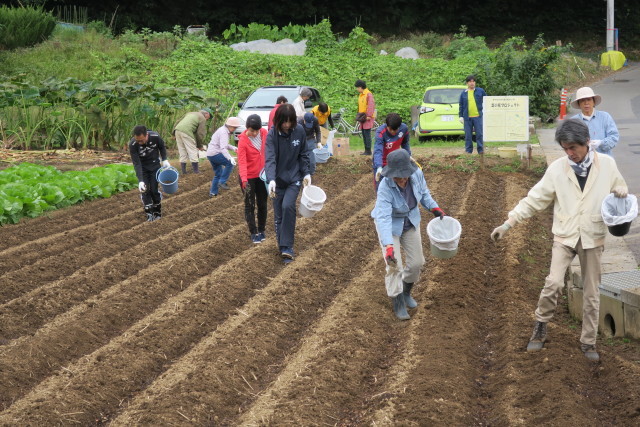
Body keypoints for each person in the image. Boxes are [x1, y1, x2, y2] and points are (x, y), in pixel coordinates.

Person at [490, 119, 628, 362]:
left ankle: (588, 341)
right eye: (565, 149)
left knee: (592, 291)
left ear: (586, 143)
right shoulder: (557, 169)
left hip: (592, 236)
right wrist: (508, 223)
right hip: (565, 234)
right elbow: (534, 199)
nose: (569, 154)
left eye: (573, 148)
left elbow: (620, 190)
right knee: (553, 282)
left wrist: (621, 193)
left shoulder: (606, 165)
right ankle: (540, 326)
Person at [371, 149, 445, 320]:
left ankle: (405, 292)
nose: (402, 179)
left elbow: (424, 193)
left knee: (417, 262)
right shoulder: (385, 186)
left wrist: (434, 208)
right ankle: (397, 301)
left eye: (404, 175)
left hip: (410, 220)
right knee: (394, 264)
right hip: (390, 224)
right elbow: (382, 217)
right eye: (398, 177)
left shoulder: (417, 174)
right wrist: (388, 245)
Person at [265, 104, 311, 263]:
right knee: (278, 215)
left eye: (290, 122)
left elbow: (304, 153)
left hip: (294, 178)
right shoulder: (272, 135)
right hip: (277, 180)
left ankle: (287, 247)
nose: (287, 125)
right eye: (284, 122)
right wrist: (271, 179)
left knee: (288, 207)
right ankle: (282, 247)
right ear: (278, 121)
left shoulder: (299, 131)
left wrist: (306, 172)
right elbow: (269, 159)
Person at [129, 125, 171, 222]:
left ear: (146, 135)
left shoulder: (155, 137)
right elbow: (136, 163)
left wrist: (164, 159)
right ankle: (149, 213)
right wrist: (140, 180)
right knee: (145, 190)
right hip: (143, 168)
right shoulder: (133, 144)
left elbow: (162, 147)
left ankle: (157, 211)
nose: (140, 142)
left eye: (142, 140)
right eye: (138, 140)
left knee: (154, 190)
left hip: (154, 166)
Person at [237, 114, 269, 244]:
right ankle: (253, 232)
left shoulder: (264, 133)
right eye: (252, 130)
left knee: (262, 204)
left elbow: (270, 151)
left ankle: (261, 230)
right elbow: (242, 162)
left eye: (256, 130)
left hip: (262, 176)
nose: (254, 133)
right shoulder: (243, 141)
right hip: (248, 177)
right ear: (247, 128)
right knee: (250, 205)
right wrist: (244, 180)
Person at [571, 86, 619, 157]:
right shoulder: (573, 122)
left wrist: (601, 143)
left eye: (589, 99)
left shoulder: (605, 117)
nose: (586, 103)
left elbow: (614, 137)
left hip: (604, 160)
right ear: (579, 104)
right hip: (582, 162)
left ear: (594, 102)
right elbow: (569, 143)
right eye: (582, 100)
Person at [373, 113, 410, 190]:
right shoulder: (380, 132)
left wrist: (408, 156)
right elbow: (378, 150)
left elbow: (405, 144)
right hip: (382, 163)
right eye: (390, 129)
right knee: (381, 189)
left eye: (395, 130)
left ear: (399, 127)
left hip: (395, 162)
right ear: (387, 126)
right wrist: (379, 166)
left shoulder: (404, 129)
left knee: (398, 188)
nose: (393, 132)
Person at [206, 117, 241, 197]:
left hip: (210, 154)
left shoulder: (223, 130)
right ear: (229, 125)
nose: (235, 129)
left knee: (218, 174)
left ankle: (213, 193)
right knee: (230, 163)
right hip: (215, 153)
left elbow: (224, 144)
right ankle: (222, 182)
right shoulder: (224, 132)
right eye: (234, 127)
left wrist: (234, 148)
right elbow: (223, 148)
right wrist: (229, 158)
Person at [173, 108, 212, 174]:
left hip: (177, 131)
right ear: (207, 113)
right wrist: (199, 146)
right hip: (187, 132)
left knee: (182, 151)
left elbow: (177, 121)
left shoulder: (190, 113)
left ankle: (184, 171)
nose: (207, 119)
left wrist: (174, 133)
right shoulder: (202, 118)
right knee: (192, 151)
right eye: (209, 117)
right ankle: (196, 171)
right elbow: (200, 134)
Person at [458, 75, 486, 154]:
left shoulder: (480, 91)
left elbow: (486, 101)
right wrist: (460, 116)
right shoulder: (463, 93)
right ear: (467, 83)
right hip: (467, 118)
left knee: (479, 134)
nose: (472, 83)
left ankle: (480, 150)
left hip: (478, 117)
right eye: (470, 81)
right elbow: (461, 105)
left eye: (473, 81)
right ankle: (468, 151)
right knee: (468, 135)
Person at [355, 79, 376, 156]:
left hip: (367, 117)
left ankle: (368, 150)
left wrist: (369, 116)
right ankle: (366, 150)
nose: (357, 89)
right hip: (362, 117)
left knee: (367, 134)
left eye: (357, 87)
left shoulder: (368, 94)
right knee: (363, 133)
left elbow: (371, 105)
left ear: (361, 87)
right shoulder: (361, 95)